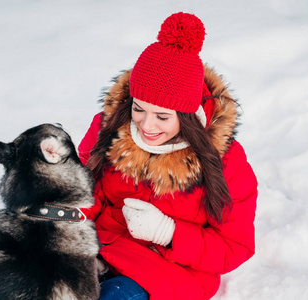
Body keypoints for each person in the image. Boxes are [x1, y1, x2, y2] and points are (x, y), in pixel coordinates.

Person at [78, 12, 258, 300]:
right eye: (139, 109)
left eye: (162, 116)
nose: (147, 125)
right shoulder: (108, 128)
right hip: (98, 247)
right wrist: (67, 219)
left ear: (188, 116)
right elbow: (84, 191)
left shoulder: (225, 161)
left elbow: (234, 246)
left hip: (166, 271)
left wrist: (169, 233)